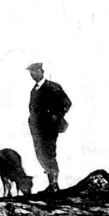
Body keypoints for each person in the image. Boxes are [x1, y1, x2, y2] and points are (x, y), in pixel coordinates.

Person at [26, 62, 71, 193]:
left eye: (34, 72)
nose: (32, 75)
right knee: (40, 153)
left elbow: (66, 103)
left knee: (49, 152)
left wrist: (56, 114)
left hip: (49, 127)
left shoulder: (53, 87)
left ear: (41, 71)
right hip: (37, 128)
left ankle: (54, 184)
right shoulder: (33, 90)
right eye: (31, 73)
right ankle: (51, 183)